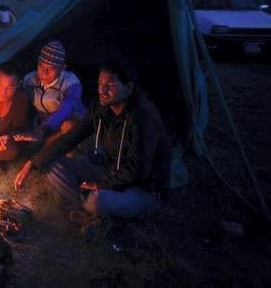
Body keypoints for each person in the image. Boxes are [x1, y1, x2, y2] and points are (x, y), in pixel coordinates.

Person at [14, 59, 171, 235]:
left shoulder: (143, 117)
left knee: (97, 200)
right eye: (100, 84)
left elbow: (138, 171)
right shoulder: (101, 107)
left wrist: (101, 185)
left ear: (128, 87)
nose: (102, 90)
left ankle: (95, 213)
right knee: (54, 164)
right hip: (108, 169)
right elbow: (72, 137)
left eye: (110, 85)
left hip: (140, 188)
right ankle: (90, 216)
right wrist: (33, 162)